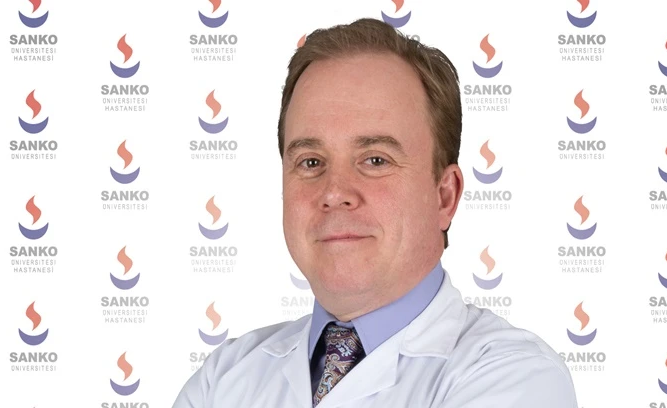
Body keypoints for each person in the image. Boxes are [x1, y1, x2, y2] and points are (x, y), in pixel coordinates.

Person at [173, 17, 578, 408]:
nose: (334, 192)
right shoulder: (224, 376)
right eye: (311, 162)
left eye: (375, 160)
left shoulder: (516, 376)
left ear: (444, 197)